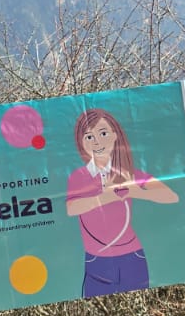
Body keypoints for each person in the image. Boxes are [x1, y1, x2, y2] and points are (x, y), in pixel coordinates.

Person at [65, 108, 178, 297]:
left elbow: (170, 195)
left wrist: (136, 191)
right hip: (96, 259)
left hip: (132, 256)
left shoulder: (128, 172)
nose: (97, 142)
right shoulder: (79, 176)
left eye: (103, 133)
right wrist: (105, 196)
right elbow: (72, 208)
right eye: (89, 137)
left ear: (115, 135)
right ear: (81, 142)